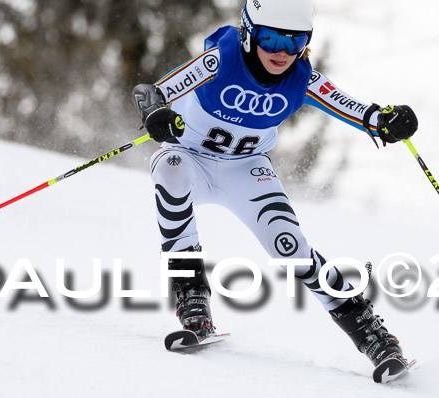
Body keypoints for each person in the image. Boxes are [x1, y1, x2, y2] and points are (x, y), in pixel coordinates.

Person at [131, 0, 418, 371]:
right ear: (249, 33)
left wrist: (385, 120)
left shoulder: (300, 77)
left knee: (291, 247)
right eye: (270, 39)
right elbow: (149, 92)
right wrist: (156, 114)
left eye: (294, 41)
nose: (282, 52)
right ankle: (193, 304)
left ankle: (374, 337)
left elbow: (354, 109)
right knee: (168, 169)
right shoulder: (221, 60)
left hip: (245, 168)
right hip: (190, 159)